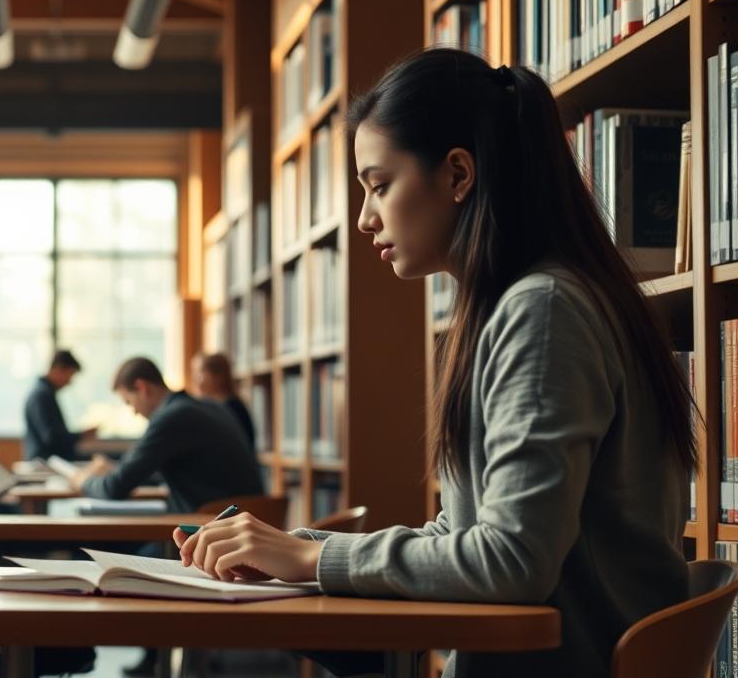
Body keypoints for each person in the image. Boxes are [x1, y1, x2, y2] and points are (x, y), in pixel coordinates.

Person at [171, 49, 698, 677]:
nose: (365, 219)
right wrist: (297, 547)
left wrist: (310, 562)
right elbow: (463, 534)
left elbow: (510, 561)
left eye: (378, 184)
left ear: (456, 175)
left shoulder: (543, 311)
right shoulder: (526, 305)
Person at [71, 356, 262, 514]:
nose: (134, 412)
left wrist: (83, 481)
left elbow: (114, 488)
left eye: (129, 402)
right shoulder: (204, 406)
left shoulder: (172, 417)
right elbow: (161, 470)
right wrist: (116, 468)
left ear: (142, 388)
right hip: (243, 521)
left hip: (210, 532)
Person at [23, 349, 92, 461]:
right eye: (70, 376)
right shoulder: (41, 396)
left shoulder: (45, 394)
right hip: (44, 461)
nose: (69, 383)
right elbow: (52, 438)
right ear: (59, 369)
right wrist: (81, 435)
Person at [189, 352, 255, 448]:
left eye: (200, 372)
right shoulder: (209, 407)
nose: (195, 379)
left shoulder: (232, 409)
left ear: (219, 376)